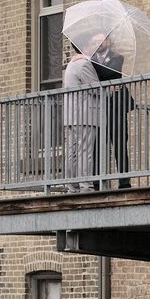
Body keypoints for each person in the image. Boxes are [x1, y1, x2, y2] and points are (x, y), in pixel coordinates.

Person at [90, 33, 132, 189]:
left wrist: (95, 75)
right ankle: (97, 182)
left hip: (116, 107)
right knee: (97, 145)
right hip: (99, 107)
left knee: (120, 144)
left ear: (108, 41)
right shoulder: (91, 61)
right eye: (95, 41)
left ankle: (124, 182)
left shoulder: (117, 57)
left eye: (100, 40)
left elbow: (109, 73)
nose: (98, 43)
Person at [64, 45, 100, 192]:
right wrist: (110, 90)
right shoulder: (85, 64)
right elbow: (96, 89)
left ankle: (71, 186)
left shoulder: (71, 65)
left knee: (73, 151)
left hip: (72, 116)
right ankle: (86, 186)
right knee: (85, 151)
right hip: (85, 115)